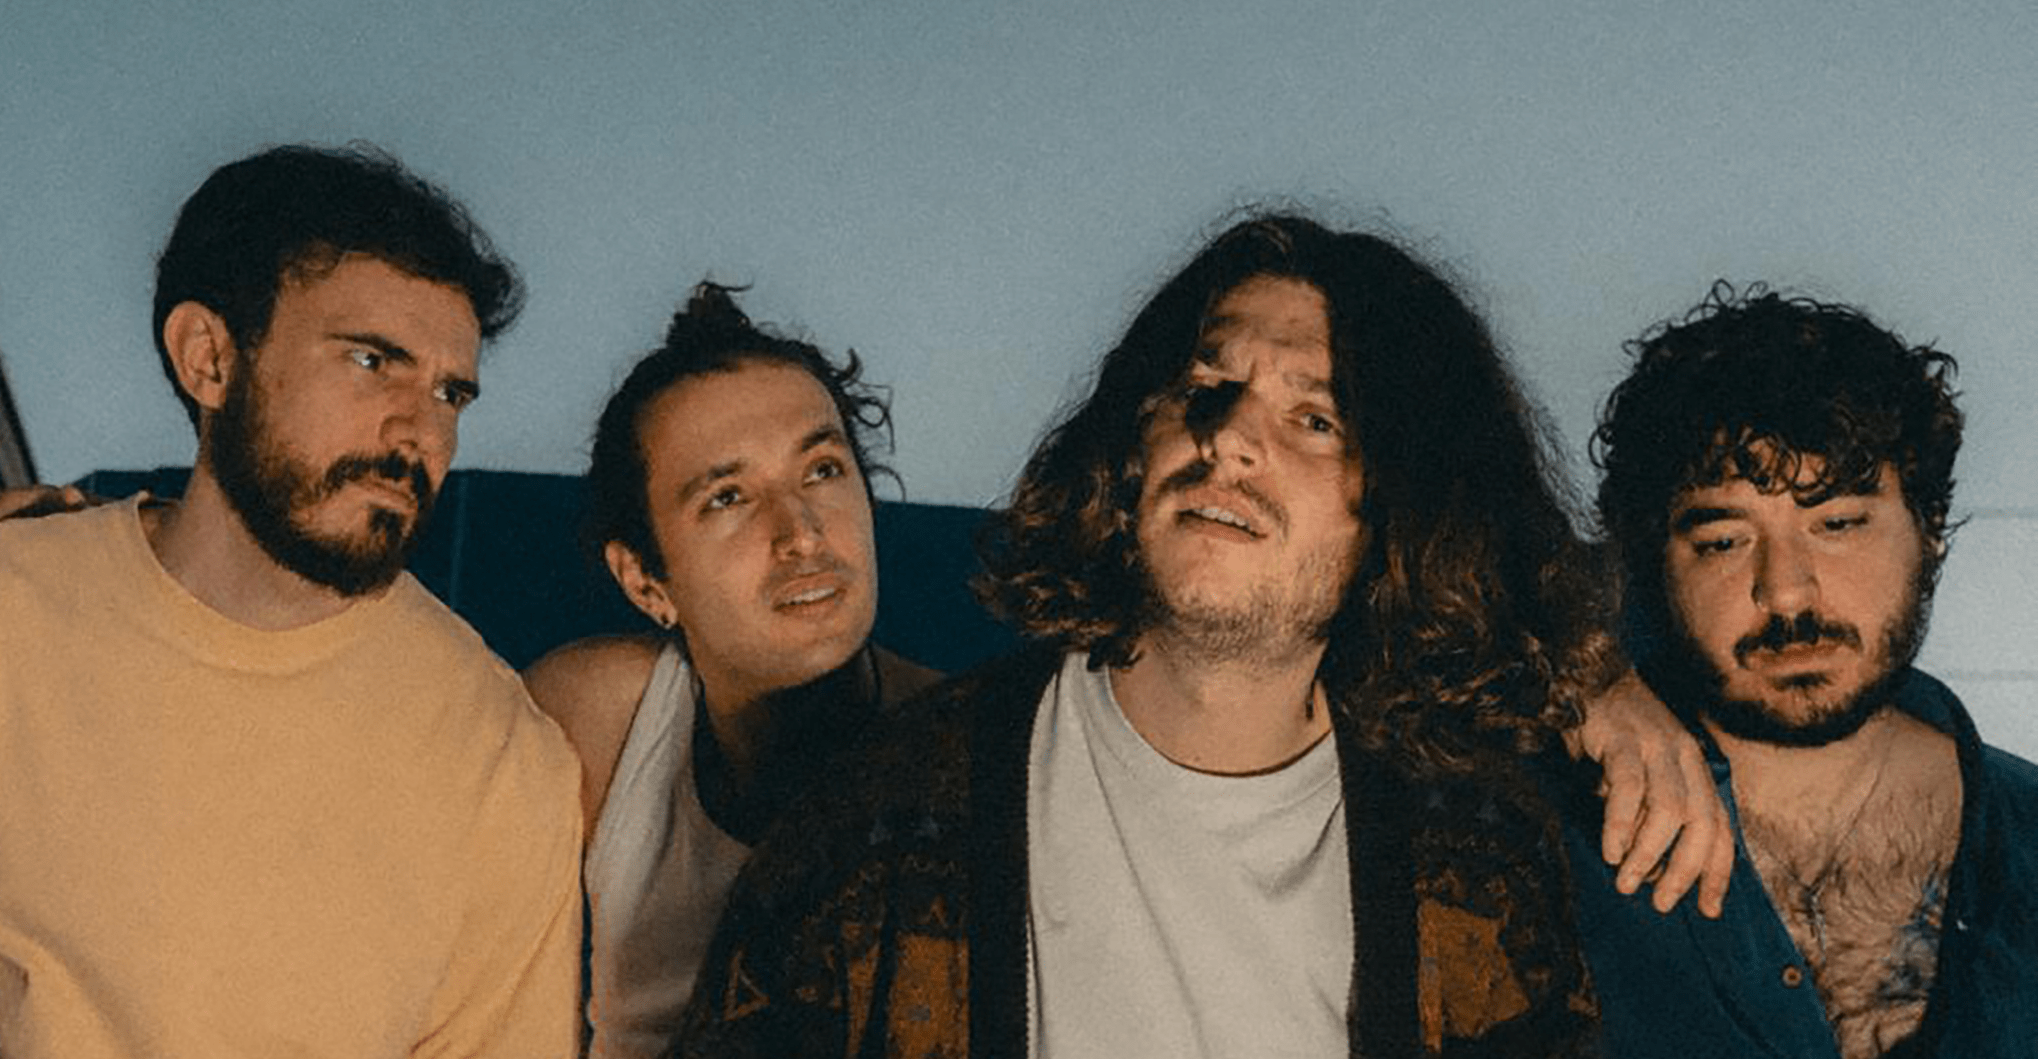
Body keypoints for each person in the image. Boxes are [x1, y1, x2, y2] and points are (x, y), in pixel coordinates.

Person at [666, 213, 1730, 1058]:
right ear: (1134, 435)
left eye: (1314, 418)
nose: (1229, 441)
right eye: (1205, 388)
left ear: (1398, 505)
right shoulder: (878, 823)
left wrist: (1602, 683)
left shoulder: (1477, 847)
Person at [0, 144, 582, 1057]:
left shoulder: (504, 757)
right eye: (372, 360)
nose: (420, 430)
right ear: (210, 359)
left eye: (449, 392)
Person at [1567, 284, 2038, 1058]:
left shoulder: (2024, 836)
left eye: (1838, 523)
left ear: (1930, 530)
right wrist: (1579, 676)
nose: (1786, 591)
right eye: (1723, 540)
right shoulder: (1545, 837)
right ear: (1653, 562)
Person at [522, 282, 937, 1058]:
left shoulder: (972, 746)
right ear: (647, 581)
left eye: (822, 470)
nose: (801, 533)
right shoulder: (599, 719)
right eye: (728, 496)